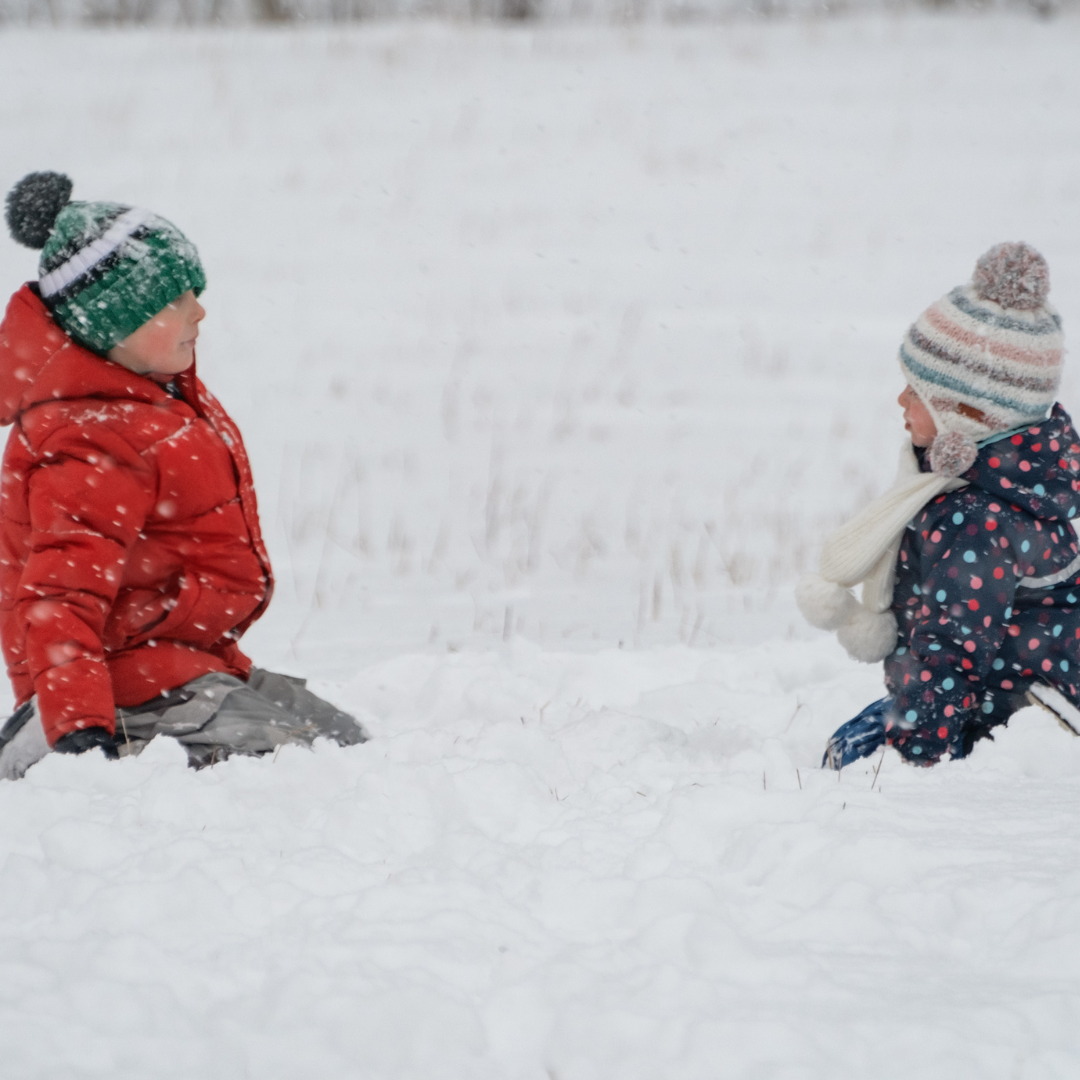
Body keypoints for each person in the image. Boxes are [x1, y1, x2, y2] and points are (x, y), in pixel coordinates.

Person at [0, 171, 365, 779]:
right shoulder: (89, 439)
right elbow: (59, 601)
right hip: (123, 689)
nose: (199, 310)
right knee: (291, 769)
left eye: (194, 292)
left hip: (185, 662)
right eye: (173, 301)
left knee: (346, 745)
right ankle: (42, 741)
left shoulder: (149, 395)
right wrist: (79, 730)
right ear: (111, 323)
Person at [797, 241, 1080, 768]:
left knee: (845, 757)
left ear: (965, 414)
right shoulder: (997, 485)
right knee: (850, 744)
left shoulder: (975, 517)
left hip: (1018, 714)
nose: (900, 401)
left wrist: (915, 754)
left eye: (916, 391)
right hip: (993, 692)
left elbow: (953, 648)